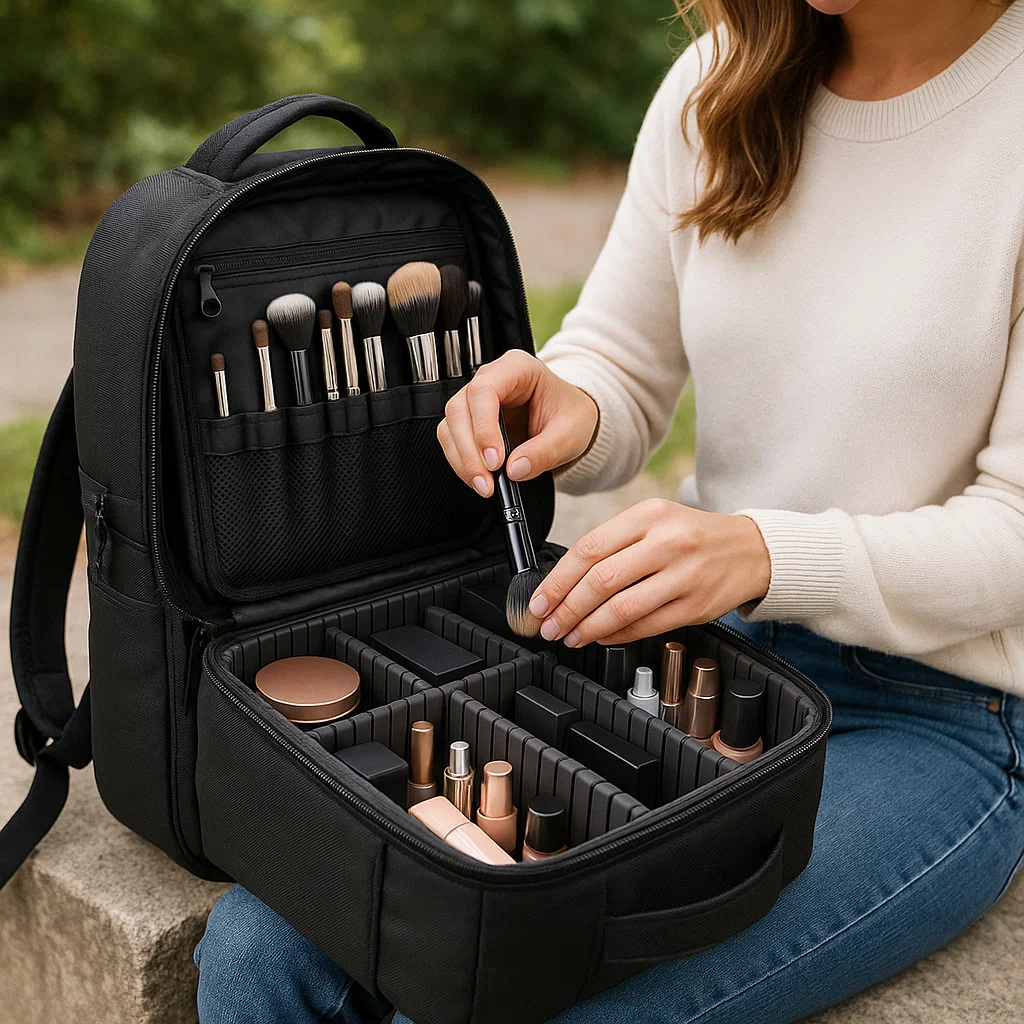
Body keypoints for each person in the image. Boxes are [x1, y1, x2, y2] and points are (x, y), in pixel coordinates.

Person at [194, 1, 1024, 1020]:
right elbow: (620, 357)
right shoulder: (722, 79)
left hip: (939, 712)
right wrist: (569, 403)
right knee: (255, 956)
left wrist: (762, 553)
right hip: (694, 648)